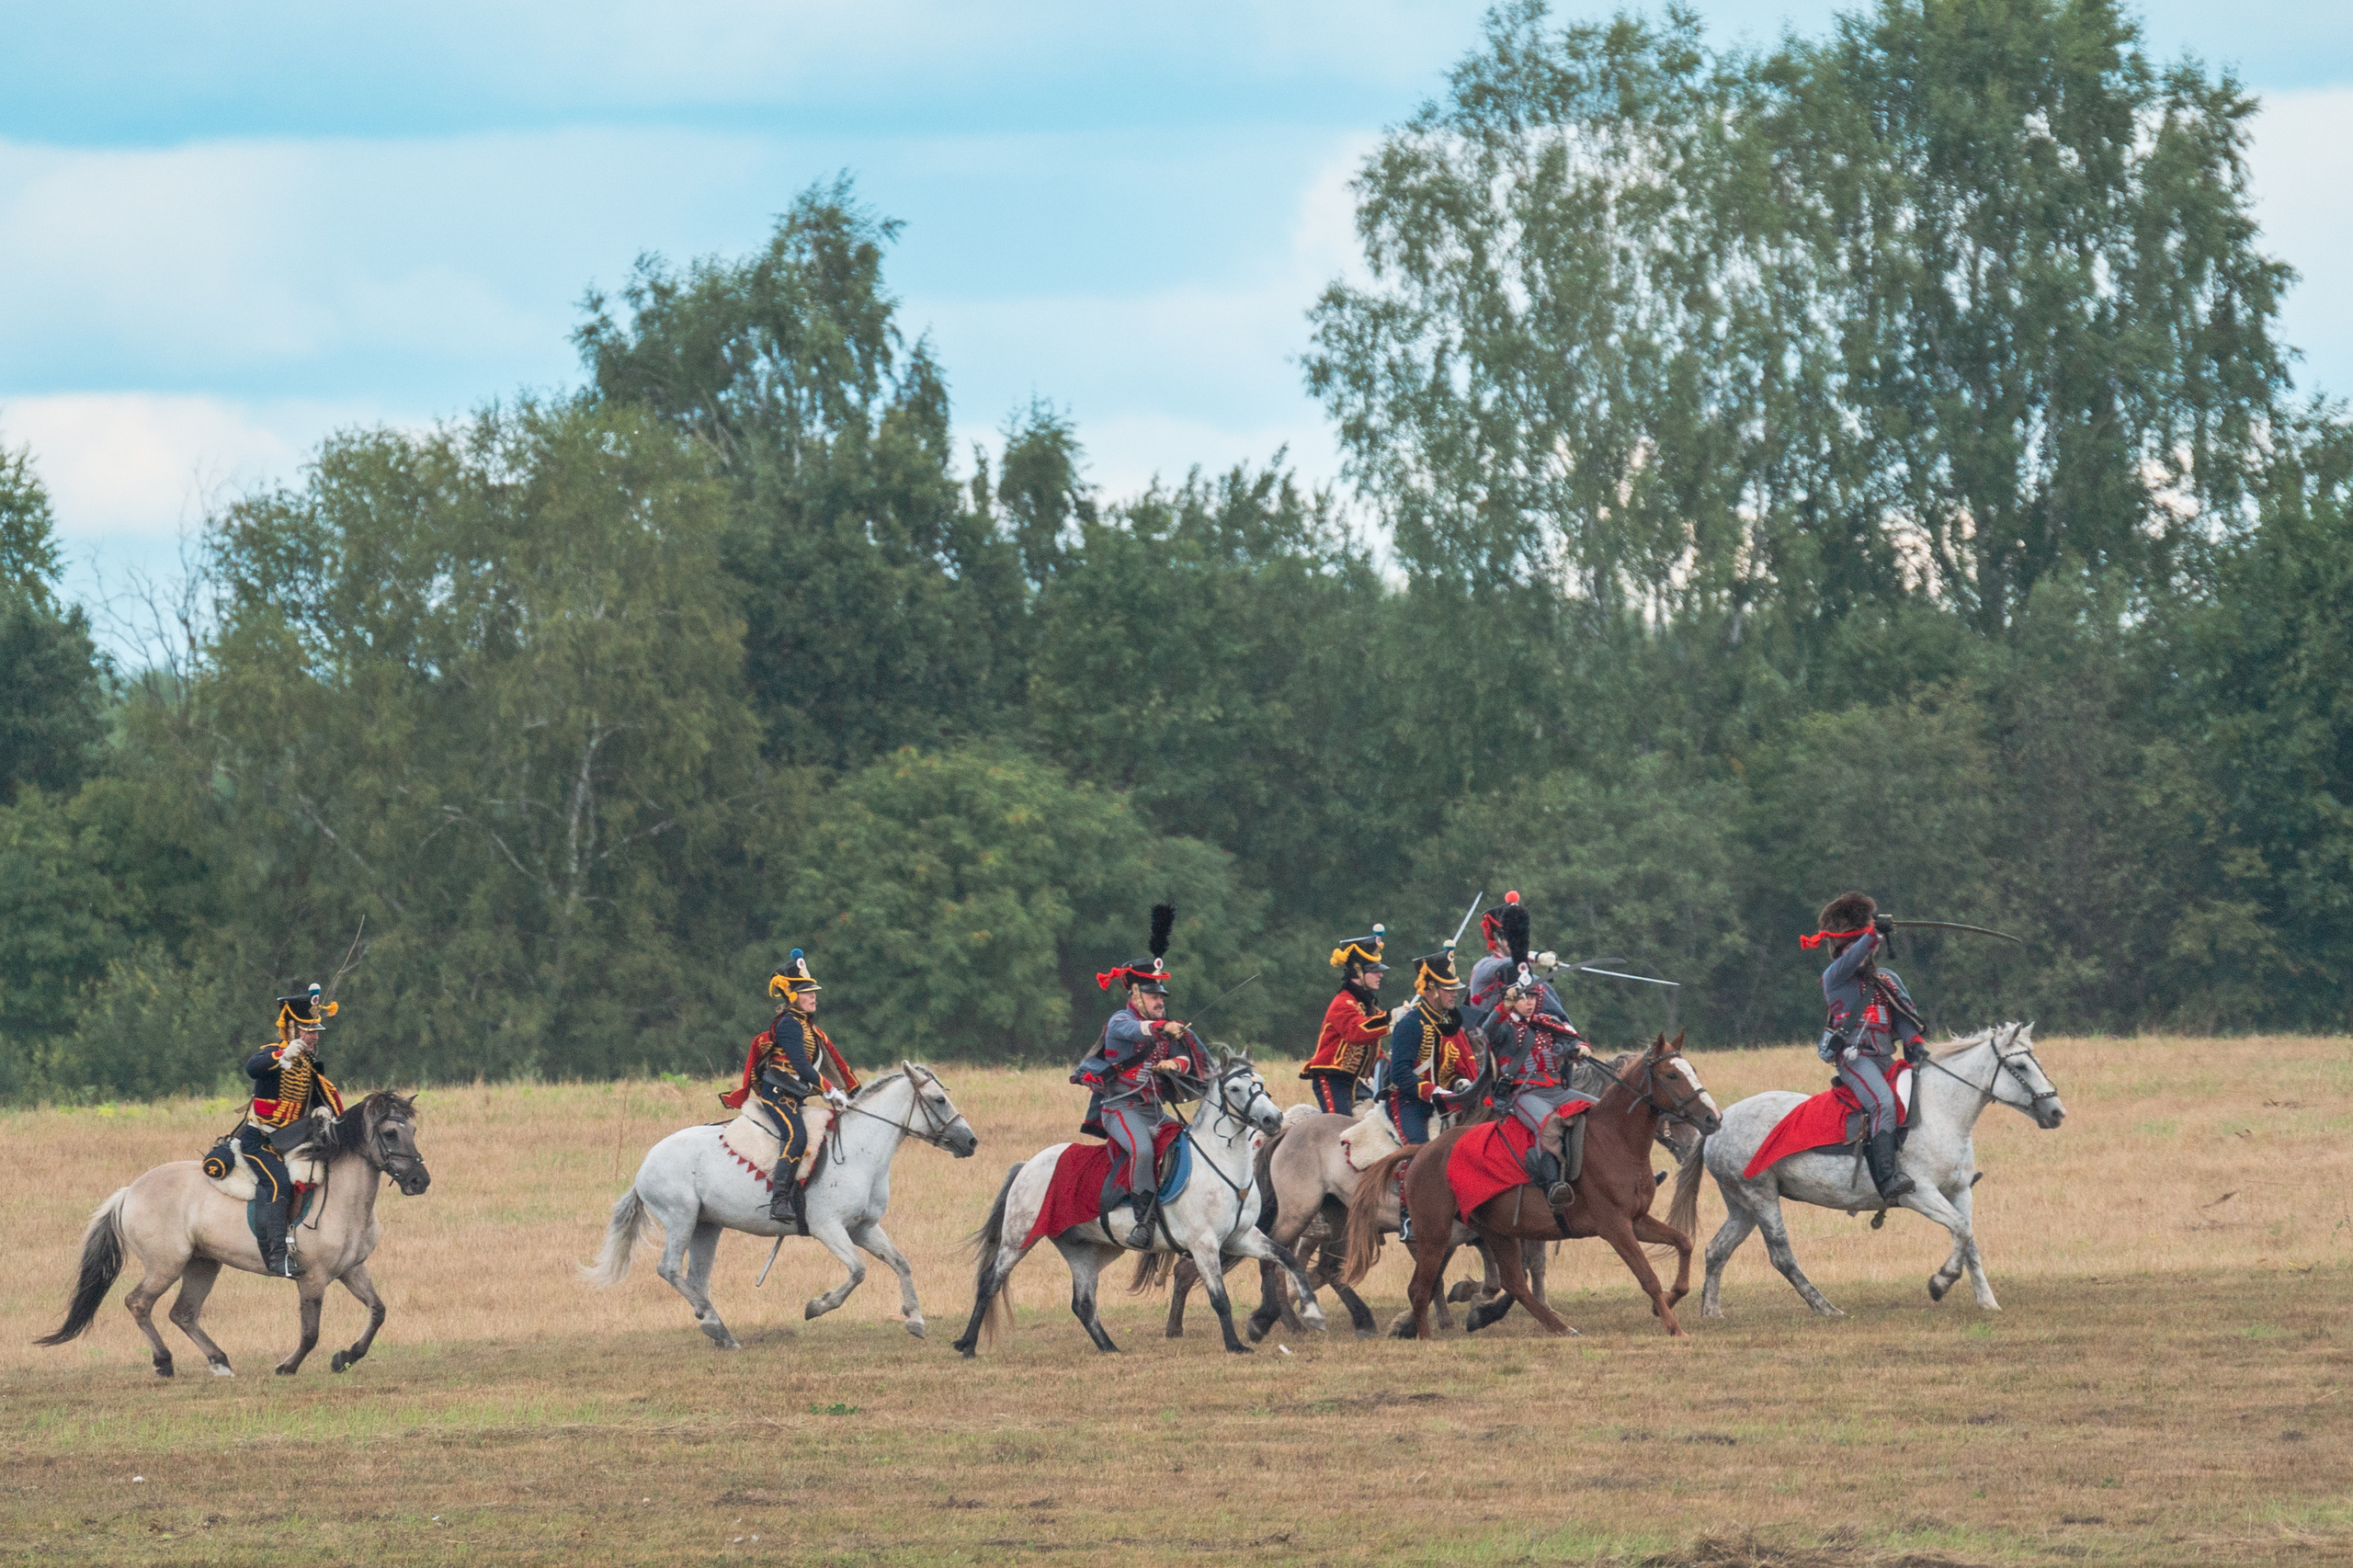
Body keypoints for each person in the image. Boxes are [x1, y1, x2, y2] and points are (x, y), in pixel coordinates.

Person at [1072, 904, 1200, 1247]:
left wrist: (1176, 1066)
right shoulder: (1120, 1021)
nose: (1160, 1000)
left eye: (1161, 996)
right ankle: (1143, 1223)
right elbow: (1138, 1031)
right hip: (1120, 1109)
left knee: (1190, 1141)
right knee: (1142, 1151)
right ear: (1135, 995)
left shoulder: (1165, 1028)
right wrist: (1162, 1027)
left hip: (1153, 1109)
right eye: (1153, 995)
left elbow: (1186, 1058)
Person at [1808, 891, 1924, 1202]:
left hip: (1885, 1056)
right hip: (1854, 1060)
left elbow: (1902, 1017)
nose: (1861, 956)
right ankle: (1886, 1179)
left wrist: (1914, 1043)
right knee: (1883, 1103)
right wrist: (1873, 934)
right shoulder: (1836, 975)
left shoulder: (1887, 979)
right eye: (1852, 948)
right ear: (1841, 950)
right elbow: (1857, 953)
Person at [727, 950, 855, 1230]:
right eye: (808, 992)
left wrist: (847, 1092)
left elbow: (825, 1063)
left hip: (795, 1094)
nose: (813, 997)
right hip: (776, 1094)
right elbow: (801, 1065)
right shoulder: (788, 1025)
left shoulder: (807, 1027)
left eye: (813, 992)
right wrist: (829, 1090)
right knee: (796, 1137)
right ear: (793, 996)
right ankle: (780, 1200)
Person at [238, 985, 346, 1278]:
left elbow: (325, 1099)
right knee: (278, 1183)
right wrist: (284, 1054)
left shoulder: (309, 1067)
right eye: (309, 1030)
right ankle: (276, 1257)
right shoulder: (273, 1055)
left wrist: (324, 1112)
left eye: (316, 1030)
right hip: (260, 1142)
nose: (315, 1035)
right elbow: (253, 1068)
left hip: (292, 1141)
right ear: (292, 1030)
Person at [1483, 970, 1597, 1205]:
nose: (1530, 1002)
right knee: (1548, 1123)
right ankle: (1554, 1185)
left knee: (1601, 1111)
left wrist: (1580, 1047)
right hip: (1524, 1094)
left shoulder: (1548, 1023)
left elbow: (1571, 1038)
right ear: (1513, 999)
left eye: (1533, 997)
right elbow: (1486, 1030)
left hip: (1558, 1090)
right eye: (1524, 997)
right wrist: (1503, 1006)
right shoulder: (1504, 1027)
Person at [1300, 926, 1391, 1115]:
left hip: (1353, 1082)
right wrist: (1391, 1018)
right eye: (1374, 970)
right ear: (1358, 971)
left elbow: (1374, 1054)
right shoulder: (1342, 1003)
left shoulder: (1369, 1008)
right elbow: (1357, 1033)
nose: (1380, 974)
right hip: (1331, 1079)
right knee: (1341, 1128)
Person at [1464, 892, 1573, 1031]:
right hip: (1483, 1039)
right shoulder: (1483, 967)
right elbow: (1506, 965)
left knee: (1541, 987)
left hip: (1515, 1040)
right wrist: (1536, 957)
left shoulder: (1532, 981)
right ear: (1497, 939)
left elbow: (1556, 1016)